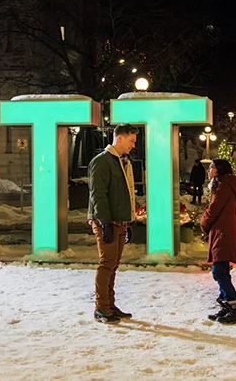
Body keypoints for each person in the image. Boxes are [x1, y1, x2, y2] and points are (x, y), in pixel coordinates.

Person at [88, 124, 139, 323]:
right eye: (131, 141)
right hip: (106, 222)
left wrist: (128, 220)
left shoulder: (122, 162)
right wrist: (105, 222)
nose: (134, 145)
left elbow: (125, 193)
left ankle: (109, 304)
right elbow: (98, 195)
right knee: (107, 263)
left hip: (119, 221)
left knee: (113, 264)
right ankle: (101, 306)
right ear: (119, 139)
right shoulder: (101, 162)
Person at [200, 158, 236, 324]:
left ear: (219, 169)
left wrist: (203, 223)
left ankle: (235, 308)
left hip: (223, 232)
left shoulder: (223, 186)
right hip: (224, 230)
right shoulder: (226, 184)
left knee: (218, 272)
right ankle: (226, 305)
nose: (208, 171)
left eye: (211, 167)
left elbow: (214, 209)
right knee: (222, 271)